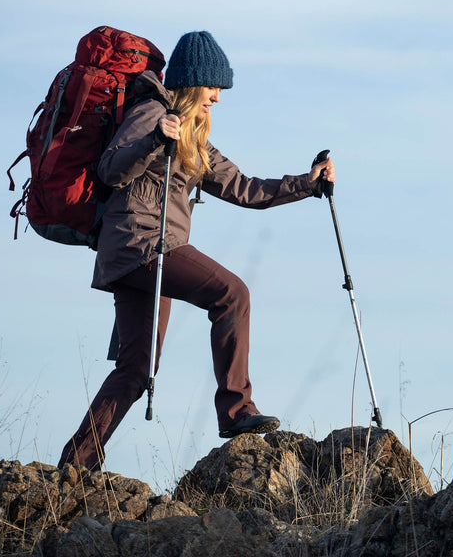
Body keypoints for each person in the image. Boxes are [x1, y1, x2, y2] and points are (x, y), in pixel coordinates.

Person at [58, 30, 335, 470]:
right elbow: (111, 170)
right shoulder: (152, 112)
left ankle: (76, 464)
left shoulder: (193, 138)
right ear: (193, 81)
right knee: (233, 293)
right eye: (213, 88)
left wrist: (309, 182)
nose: (218, 98)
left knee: (136, 369)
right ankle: (237, 411)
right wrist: (154, 139)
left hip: (134, 255)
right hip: (144, 245)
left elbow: (245, 188)